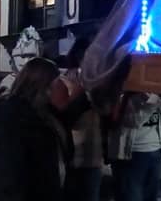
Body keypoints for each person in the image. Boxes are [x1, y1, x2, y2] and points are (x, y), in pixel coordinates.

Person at [0, 57, 91, 201]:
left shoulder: (44, 110)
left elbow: (67, 117)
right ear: (41, 84)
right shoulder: (12, 114)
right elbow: (10, 170)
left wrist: (82, 92)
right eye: (55, 82)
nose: (59, 86)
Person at [60, 37, 105, 201]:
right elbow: (64, 115)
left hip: (93, 156)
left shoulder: (98, 82)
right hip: (72, 155)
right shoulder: (64, 81)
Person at [107, 91, 161, 201]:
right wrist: (154, 103)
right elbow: (134, 121)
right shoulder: (126, 94)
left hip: (156, 152)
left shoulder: (158, 96)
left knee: (150, 197)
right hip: (132, 155)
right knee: (130, 195)